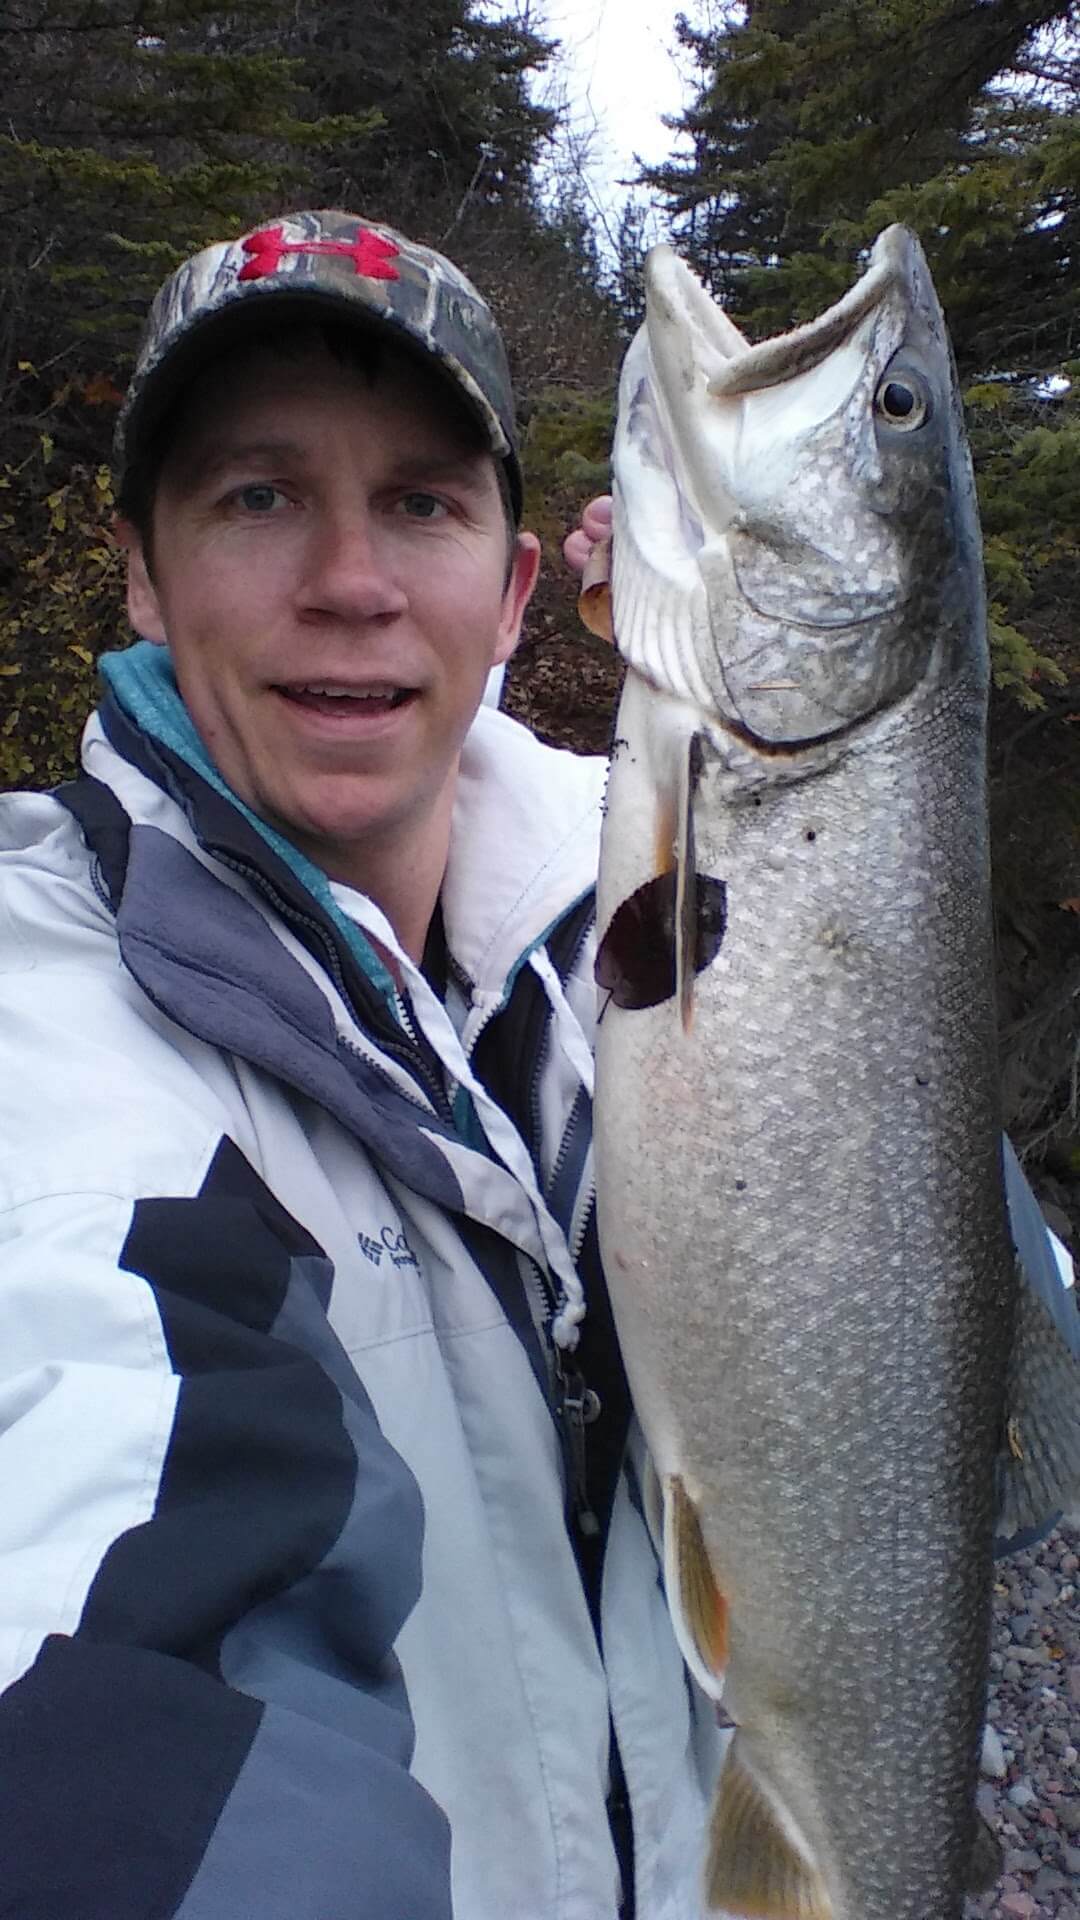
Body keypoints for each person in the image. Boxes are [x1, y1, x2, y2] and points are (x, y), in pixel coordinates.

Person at [0, 208, 1072, 1920]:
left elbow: (943, 1248)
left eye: (421, 502)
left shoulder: (639, 873)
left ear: (514, 590)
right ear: (141, 570)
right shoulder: (36, 1022)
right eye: (257, 495)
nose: (352, 583)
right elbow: (114, 1569)